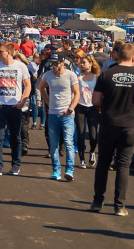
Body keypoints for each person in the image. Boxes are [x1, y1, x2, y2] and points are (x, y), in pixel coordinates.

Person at [90, 43, 134, 216]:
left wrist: (108, 101)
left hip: (109, 123)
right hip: (129, 126)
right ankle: (119, 206)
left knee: (103, 164)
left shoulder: (106, 74)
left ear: (118, 56)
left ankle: (97, 201)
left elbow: (95, 101)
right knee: (123, 166)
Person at [0, 42, 31, 176]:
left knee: (15, 137)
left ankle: (15, 164)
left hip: (15, 106)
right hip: (0, 106)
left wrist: (22, 101)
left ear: (9, 52)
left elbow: (28, 85)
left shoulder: (21, 66)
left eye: (1, 51)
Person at [39, 53, 80, 181]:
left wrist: (71, 108)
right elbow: (41, 88)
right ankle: (56, 170)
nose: (54, 66)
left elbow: (77, 93)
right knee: (53, 144)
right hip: (52, 114)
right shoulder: (47, 75)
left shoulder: (70, 75)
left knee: (68, 143)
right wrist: (47, 101)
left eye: (56, 63)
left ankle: (69, 170)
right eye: (52, 63)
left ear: (63, 63)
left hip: (66, 115)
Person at [75, 54, 101, 168]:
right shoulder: (77, 77)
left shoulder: (97, 77)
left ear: (90, 63)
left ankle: (92, 152)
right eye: (81, 62)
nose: (81, 64)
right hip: (80, 106)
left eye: (84, 62)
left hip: (93, 107)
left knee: (93, 134)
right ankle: (81, 159)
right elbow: (74, 92)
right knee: (80, 133)